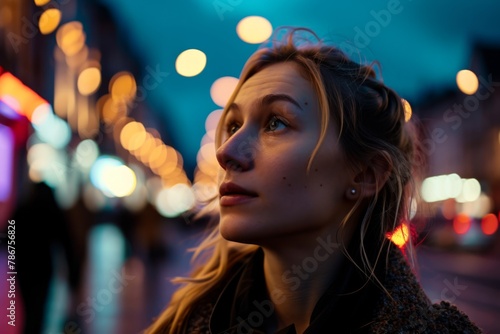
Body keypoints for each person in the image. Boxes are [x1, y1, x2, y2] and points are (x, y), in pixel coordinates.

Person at [144, 27, 482, 333]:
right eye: (233, 126)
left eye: (275, 122)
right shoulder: (183, 325)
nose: (226, 152)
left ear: (365, 175)